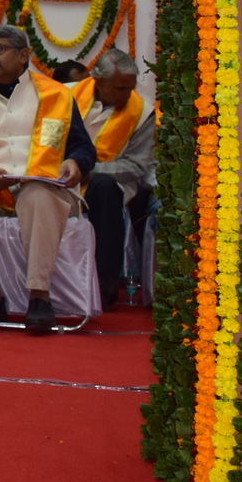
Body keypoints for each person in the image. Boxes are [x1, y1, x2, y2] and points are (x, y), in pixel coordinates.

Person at [0, 24, 96, 333]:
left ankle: (39, 296)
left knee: (36, 194)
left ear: (23, 55)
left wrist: (74, 161)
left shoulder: (56, 95)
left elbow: (83, 147)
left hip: (45, 188)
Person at [72, 49, 154, 306]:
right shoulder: (65, 95)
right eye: (121, 88)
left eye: (131, 88)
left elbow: (136, 165)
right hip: (60, 174)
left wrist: (89, 171)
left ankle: (105, 283)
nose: (128, 95)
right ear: (99, 81)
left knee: (104, 188)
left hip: (111, 181)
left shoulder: (142, 113)